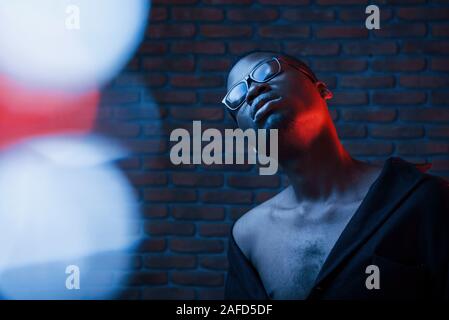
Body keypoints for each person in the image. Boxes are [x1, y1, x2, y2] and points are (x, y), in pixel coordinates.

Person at [222, 51, 449, 300]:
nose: (253, 91)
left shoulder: (423, 200)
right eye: (238, 96)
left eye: (266, 71)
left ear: (322, 90)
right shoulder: (247, 237)